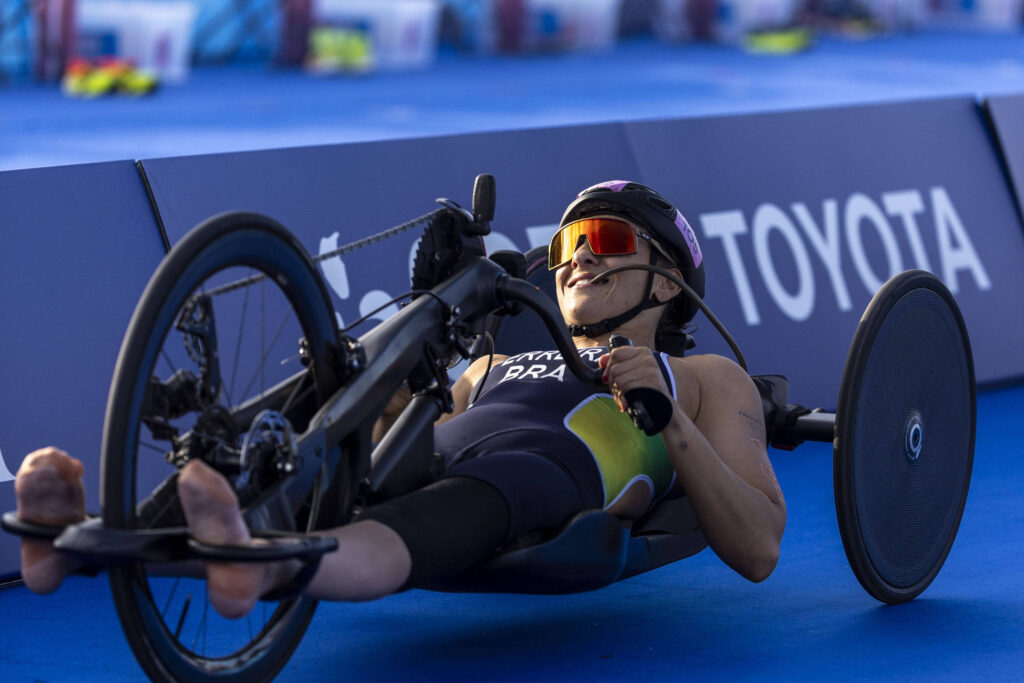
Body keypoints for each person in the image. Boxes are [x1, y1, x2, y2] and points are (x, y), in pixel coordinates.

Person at [13, 180, 786, 618]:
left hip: (544, 476)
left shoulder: (707, 376)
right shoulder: (496, 360)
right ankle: (75, 541)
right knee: (347, 456)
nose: (580, 255)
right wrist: (383, 369)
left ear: (670, 281)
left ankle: (256, 561)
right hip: (450, 447)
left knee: (438, 507)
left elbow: (759, 547)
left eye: (610, 241)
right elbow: (398, 426)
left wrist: (673, 419)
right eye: (566, 243)